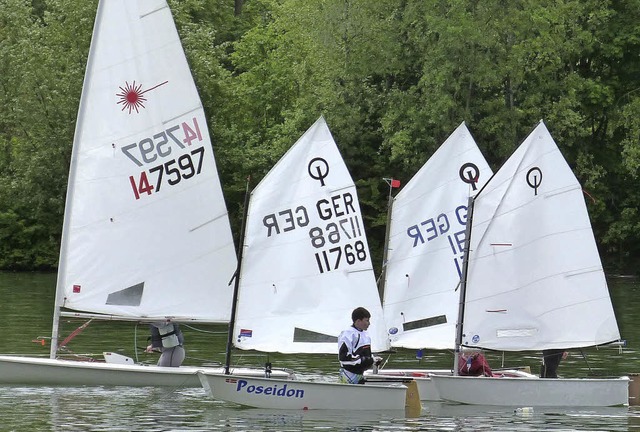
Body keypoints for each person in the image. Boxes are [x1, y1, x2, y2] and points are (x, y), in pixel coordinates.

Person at [338, 307, 382, 384]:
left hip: (360, 374)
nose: (369, 323)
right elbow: (344, 358)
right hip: (349, 374)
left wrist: (374, 360)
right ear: (358, 321)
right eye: (367, 320)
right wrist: (369, 360)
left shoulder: (366, 335)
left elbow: (365, 356)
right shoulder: (347, 335)